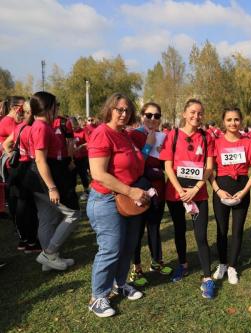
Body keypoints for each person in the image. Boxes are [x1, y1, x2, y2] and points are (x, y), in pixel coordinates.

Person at [87, 93, 147, 317]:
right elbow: (98, 174)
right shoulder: (102, 133)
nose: (123, 113)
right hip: (106, 200)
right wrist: (131, 190)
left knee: (128, 245)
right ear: (109, 109)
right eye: (118, 109)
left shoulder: (125, 134)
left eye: (127, 110)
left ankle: (119, 283)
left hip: (128, 200)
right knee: (110, 249)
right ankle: (98, 296)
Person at [159, 99, 216, 299]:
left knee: (201, 235)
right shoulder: (172, 136)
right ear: (184, 114)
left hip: (198, 194)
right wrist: (180, 191)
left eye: (200, 113)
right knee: (179, 231)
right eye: (192, 112)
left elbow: (209, 167)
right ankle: (182, 264)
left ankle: (207, 277)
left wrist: (196, 189)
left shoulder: (207, 137)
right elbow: (168, 166)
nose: (196, 116)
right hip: (176, 194)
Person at [27, 92, 80, 271]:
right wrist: (52, 187)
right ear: (49, 108)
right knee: (73, 214)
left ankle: (49, 260)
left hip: (38, 178)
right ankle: (49, 253)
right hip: (44, 179)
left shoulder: (40, 125)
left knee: (47, 218)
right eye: (56, 105)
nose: (58, 108)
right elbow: (40, 160)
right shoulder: (41, 127)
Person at [210, 108, 251, 284]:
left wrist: (245, 191)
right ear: (224, 121)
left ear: (241, 121)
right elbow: (211, 171)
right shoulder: (216, 143)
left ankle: (232, 266)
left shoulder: (248, 143)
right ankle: (222, 263)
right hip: (221, 189)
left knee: (237, 230)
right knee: (221, 230)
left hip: (241, 188)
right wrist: (217, 190)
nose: (233, 123)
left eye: (236, 119)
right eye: (229, 120)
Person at [128, 102, 171, 286]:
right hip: (140, 188)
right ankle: (136, 268)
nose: (153, 119)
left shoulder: (164, 136)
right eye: (149, 115)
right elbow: (135, 165)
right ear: (141, 116)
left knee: (154, 225)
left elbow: (165, 164)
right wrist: (147, 145)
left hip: (159, 187)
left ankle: (156, 261)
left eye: (157, 115)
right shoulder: (133, 135)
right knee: (137, 230)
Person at [2, 101, 41, 254]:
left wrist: (12, 155)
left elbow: (6, 144)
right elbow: (38, 155)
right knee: (30, 207)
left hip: (18, 169)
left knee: (21, 206)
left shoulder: (19, 127)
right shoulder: (33, 129)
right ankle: (32, 241)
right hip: (30, 168)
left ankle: (25, 240)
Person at [70, 117, 91, 200]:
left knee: (83, 175)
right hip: (72, 158)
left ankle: (87, 192)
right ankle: (73, 193)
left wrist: (81, 146)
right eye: (71, 127)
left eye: (74, 126)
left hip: (83, 158)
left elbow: (89, 142)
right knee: (72, 176)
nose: (73, 128)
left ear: (76, 123)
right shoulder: (69, 133)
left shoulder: (83, 131)